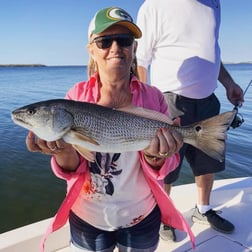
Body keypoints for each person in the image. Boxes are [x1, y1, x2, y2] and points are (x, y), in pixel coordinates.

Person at [25, 7, 195, 252]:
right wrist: (62, 153)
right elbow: (74, 167)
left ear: (134, 48)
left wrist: (157, 156)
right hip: (87, 218)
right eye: (104, 41)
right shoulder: (76, 96)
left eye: (124, 40)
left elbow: (164, 166)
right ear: (91, 50)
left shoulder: (154, 97)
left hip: (142, 216)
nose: (115, 48)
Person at [136, 0, 244, 242]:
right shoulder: (154, 5)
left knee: (209, 162)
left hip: (209, 100)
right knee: (166, 164)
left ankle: (203, 209)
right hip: (169, 101)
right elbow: (140, 60)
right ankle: (163, 215)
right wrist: (144, 104)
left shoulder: (213, 3)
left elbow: (212, 52)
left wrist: (228, 83)